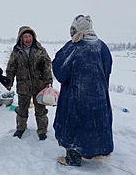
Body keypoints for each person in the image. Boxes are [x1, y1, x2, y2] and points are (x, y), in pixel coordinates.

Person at [52, 15, 114, 166]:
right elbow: (107, 70)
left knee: (73, 125)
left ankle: (73, 158)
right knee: (96, 123)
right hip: (98, 97)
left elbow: (60, 71)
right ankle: (95, 151)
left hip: (75, 97)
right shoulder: (101, 46)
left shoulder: (73, 47)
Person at [6, 26, 53, 140]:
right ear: (21, 38)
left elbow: (47, 66)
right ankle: (20, 128)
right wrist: (9, 81)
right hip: (23, 86)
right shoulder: (16, 52)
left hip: (39, 85)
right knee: (22, 109)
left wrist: (48, 81)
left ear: (33, 37)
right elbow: (11, 68)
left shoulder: (40, 50)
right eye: (25, 36)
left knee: (41, 110)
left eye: (30, 36)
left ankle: (42, 131)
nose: (28, 39)